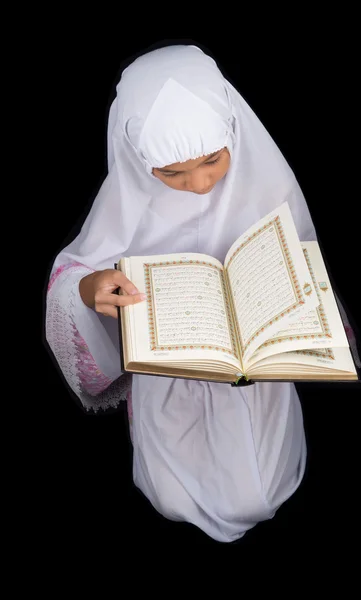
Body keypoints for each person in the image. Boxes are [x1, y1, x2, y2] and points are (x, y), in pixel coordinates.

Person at [45, 44, 327, 543]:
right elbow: (73, 274)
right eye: (171, 173)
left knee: (259, 490)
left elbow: (301, 259)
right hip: (170, 373)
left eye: (212, 161)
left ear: (232, 132)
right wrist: (90, 290)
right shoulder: (128, 198)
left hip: (254, 376)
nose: (198, 184)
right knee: (173, 496)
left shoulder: (266, 184)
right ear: (137, 159)